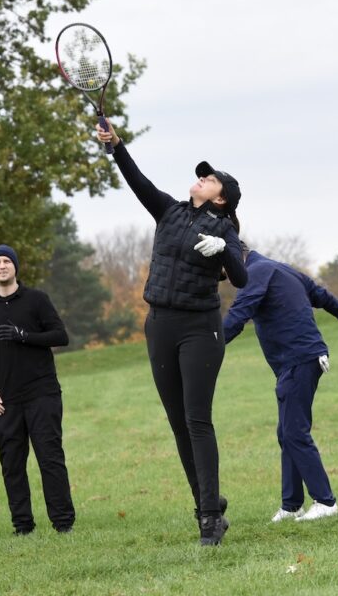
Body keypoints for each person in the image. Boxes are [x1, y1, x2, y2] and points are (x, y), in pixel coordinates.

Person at [95, 121, 247, 546]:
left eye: (210, 178)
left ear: (221, 197)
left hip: (200, 329)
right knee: (178, 423)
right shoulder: (170, 210)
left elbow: (242, 279)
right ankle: (208, 500)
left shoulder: (226, 230)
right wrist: (117, 147)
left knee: (198, 420)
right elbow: (137, 181)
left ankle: (209, 520)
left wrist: (225, 251)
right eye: (202, 175)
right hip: (159, 325)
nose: (201, 178)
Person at [222, 245, 338, 522]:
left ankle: (326, 502)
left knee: (294, 432)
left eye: (225, 271)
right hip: (299, 361)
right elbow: (322, 296)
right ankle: (291, 504)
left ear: (233, 257)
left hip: (299, 360)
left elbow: (238, 315)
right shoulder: (281, 269)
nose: (228, 278)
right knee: (287, 433)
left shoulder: (255, 273)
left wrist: (208, 346)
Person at [0, 244, 76, 536]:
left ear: (16, 267)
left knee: (50, 458)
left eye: (7, 261)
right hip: (5, 399)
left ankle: (63, 523)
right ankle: (22, 525)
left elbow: (61, 336)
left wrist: (24, 336)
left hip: (41, 393)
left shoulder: (36, 300)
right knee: (11, 464)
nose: (2, 266)